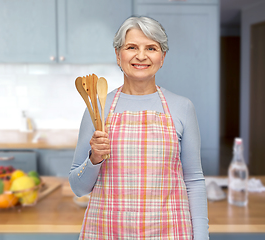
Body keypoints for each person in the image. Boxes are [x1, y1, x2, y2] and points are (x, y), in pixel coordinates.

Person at [69, 16, 209, 239]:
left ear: (162, 57)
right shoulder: (97, 110)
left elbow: (194, 180)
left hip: (170, 230)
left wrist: (201, 236)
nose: (141, 56)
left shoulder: (182, 107)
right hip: (107, 229)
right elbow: (78, 187)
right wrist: (94, 158)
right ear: (118, 55)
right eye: (131, 47)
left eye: (151, 48)